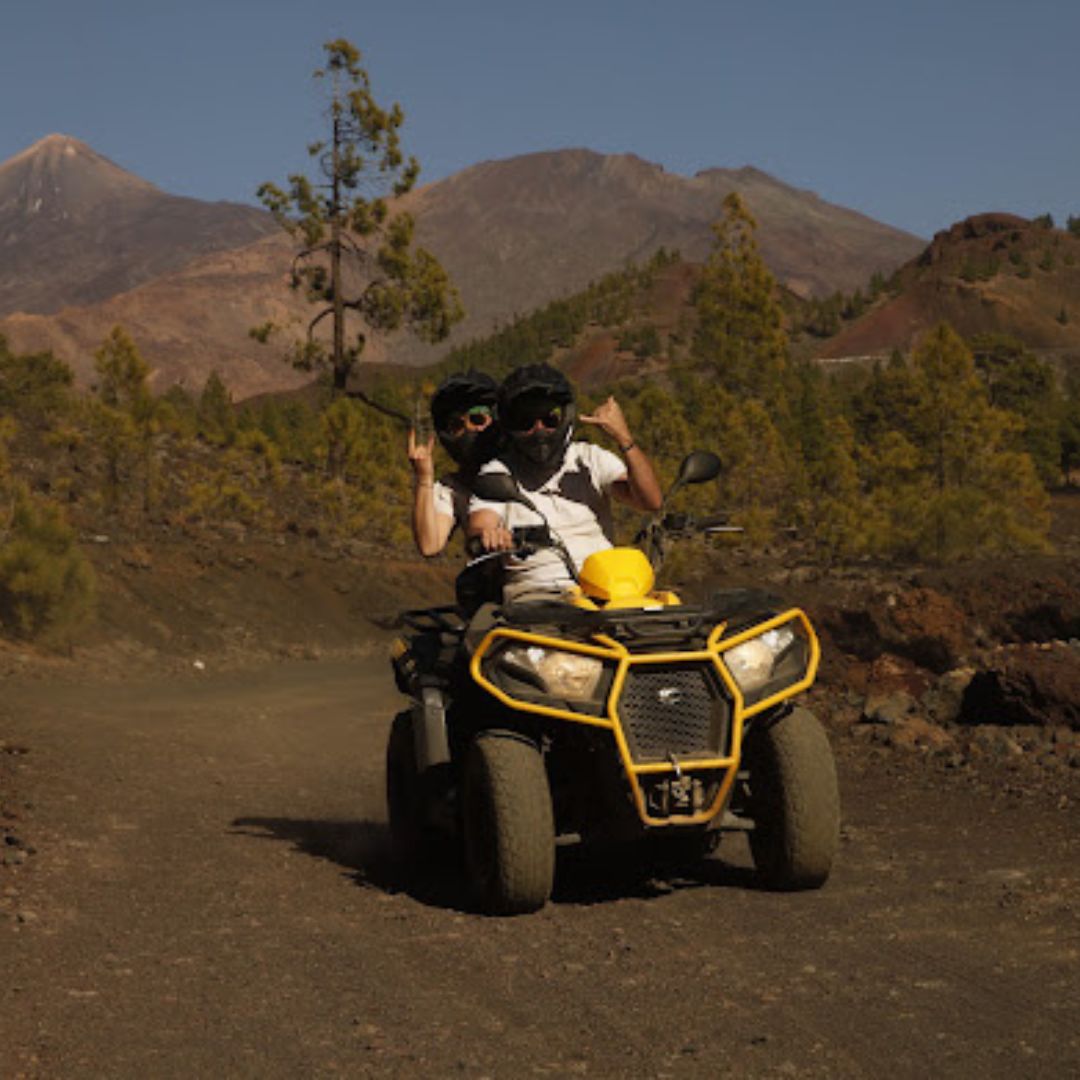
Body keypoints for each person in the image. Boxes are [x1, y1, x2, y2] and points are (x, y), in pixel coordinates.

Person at [467, 363, 662, 602]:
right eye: (525, 422)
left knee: (663, 614)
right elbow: (480, 522)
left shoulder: (588, 459)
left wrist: (623, 438)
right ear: (510, 426)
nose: (539, 430)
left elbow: (650, 500)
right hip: (538, 594)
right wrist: (490, 535)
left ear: (565, 417)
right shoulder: (500, 472)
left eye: (550, 419)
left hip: (608, 587)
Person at [407, 370, 499, 557]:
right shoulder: (453, 488)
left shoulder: (523, 468)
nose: (469, 429)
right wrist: (424, 478)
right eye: (457, 425)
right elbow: (429, 544)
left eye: (477, 418)